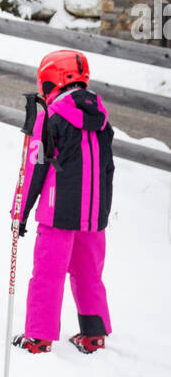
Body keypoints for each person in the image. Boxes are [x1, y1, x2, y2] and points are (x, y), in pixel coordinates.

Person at [12, 49, 114, 355]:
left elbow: (35, 167)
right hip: (94, 215)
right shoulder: (101, 118)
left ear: (50, 80)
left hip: (58, 214)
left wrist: (20, 212)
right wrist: (102, 210)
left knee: (48, 273)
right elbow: (108, 168)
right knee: (88, 273)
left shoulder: (50, 117)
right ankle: (93, 335)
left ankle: (38, 338)